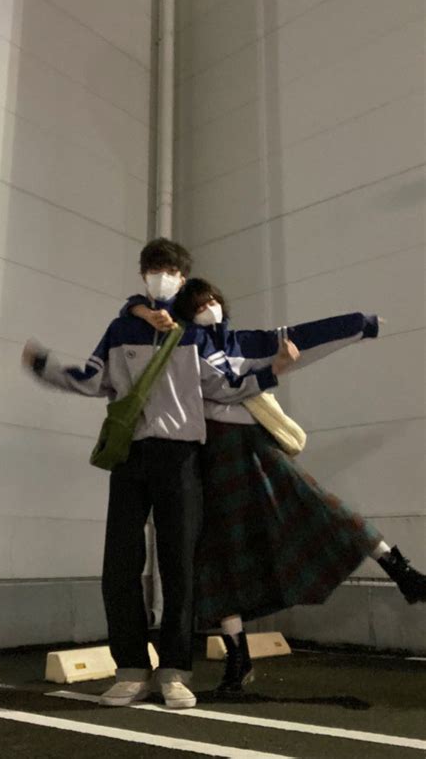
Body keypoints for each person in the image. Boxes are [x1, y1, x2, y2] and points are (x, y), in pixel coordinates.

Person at [21, 239, 290, 709]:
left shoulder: (194, 331)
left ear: (182, 278)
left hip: (182, 456)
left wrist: (273, 369)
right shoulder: (121, 327)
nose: (159, 275)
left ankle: (174, 672)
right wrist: (46, 366)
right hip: (129, 456)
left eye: (167, 269)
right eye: (152, 268)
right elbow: (91, 377)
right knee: (119, 567)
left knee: (179, 567)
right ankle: (129, 670)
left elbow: (223, 386)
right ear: (142, 274)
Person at [127, 277, 426, 696]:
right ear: (185, 312)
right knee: (216, 559)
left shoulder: (243, 342)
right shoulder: (181, 347)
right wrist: (143, 310)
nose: (210, 307)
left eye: (213, 300)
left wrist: (359, 325)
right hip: (209, 462)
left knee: (316, 505)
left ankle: (401, 569)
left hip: (253, 449)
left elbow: (302, 337)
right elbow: (140, 312)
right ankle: (237, 658)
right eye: (200, 304)